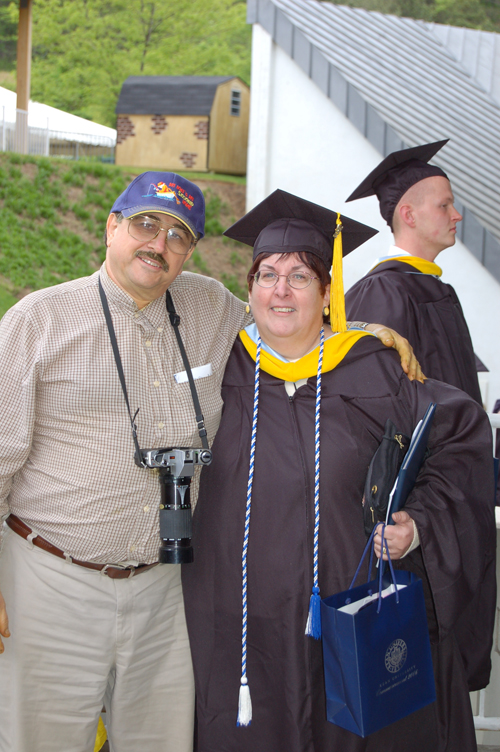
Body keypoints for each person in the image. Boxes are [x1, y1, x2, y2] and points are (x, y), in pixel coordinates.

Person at [0, 172, 417, 752]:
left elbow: (287, 326)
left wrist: (364, 332)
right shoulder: (37, 323)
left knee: (160, 741)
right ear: (111, 226)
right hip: (54, 582)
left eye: (179, 234)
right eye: (146, 223)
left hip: (167, 594)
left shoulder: (209, 309)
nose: (159, 243)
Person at [182, 189, 496, 752]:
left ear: (327, 293)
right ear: (248, 288)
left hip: (351, 617)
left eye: (300, 276)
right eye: (267, 274)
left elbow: (460, 437)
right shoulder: (221, 370)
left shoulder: (373, 367)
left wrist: (418, 523)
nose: (280, 290)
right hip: (245, 624)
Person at [344, 140, 483, 404]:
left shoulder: (437, 289)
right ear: (409, 215)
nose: (456, 215)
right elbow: (377, 399)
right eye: (444, 205)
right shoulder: (383, 291)